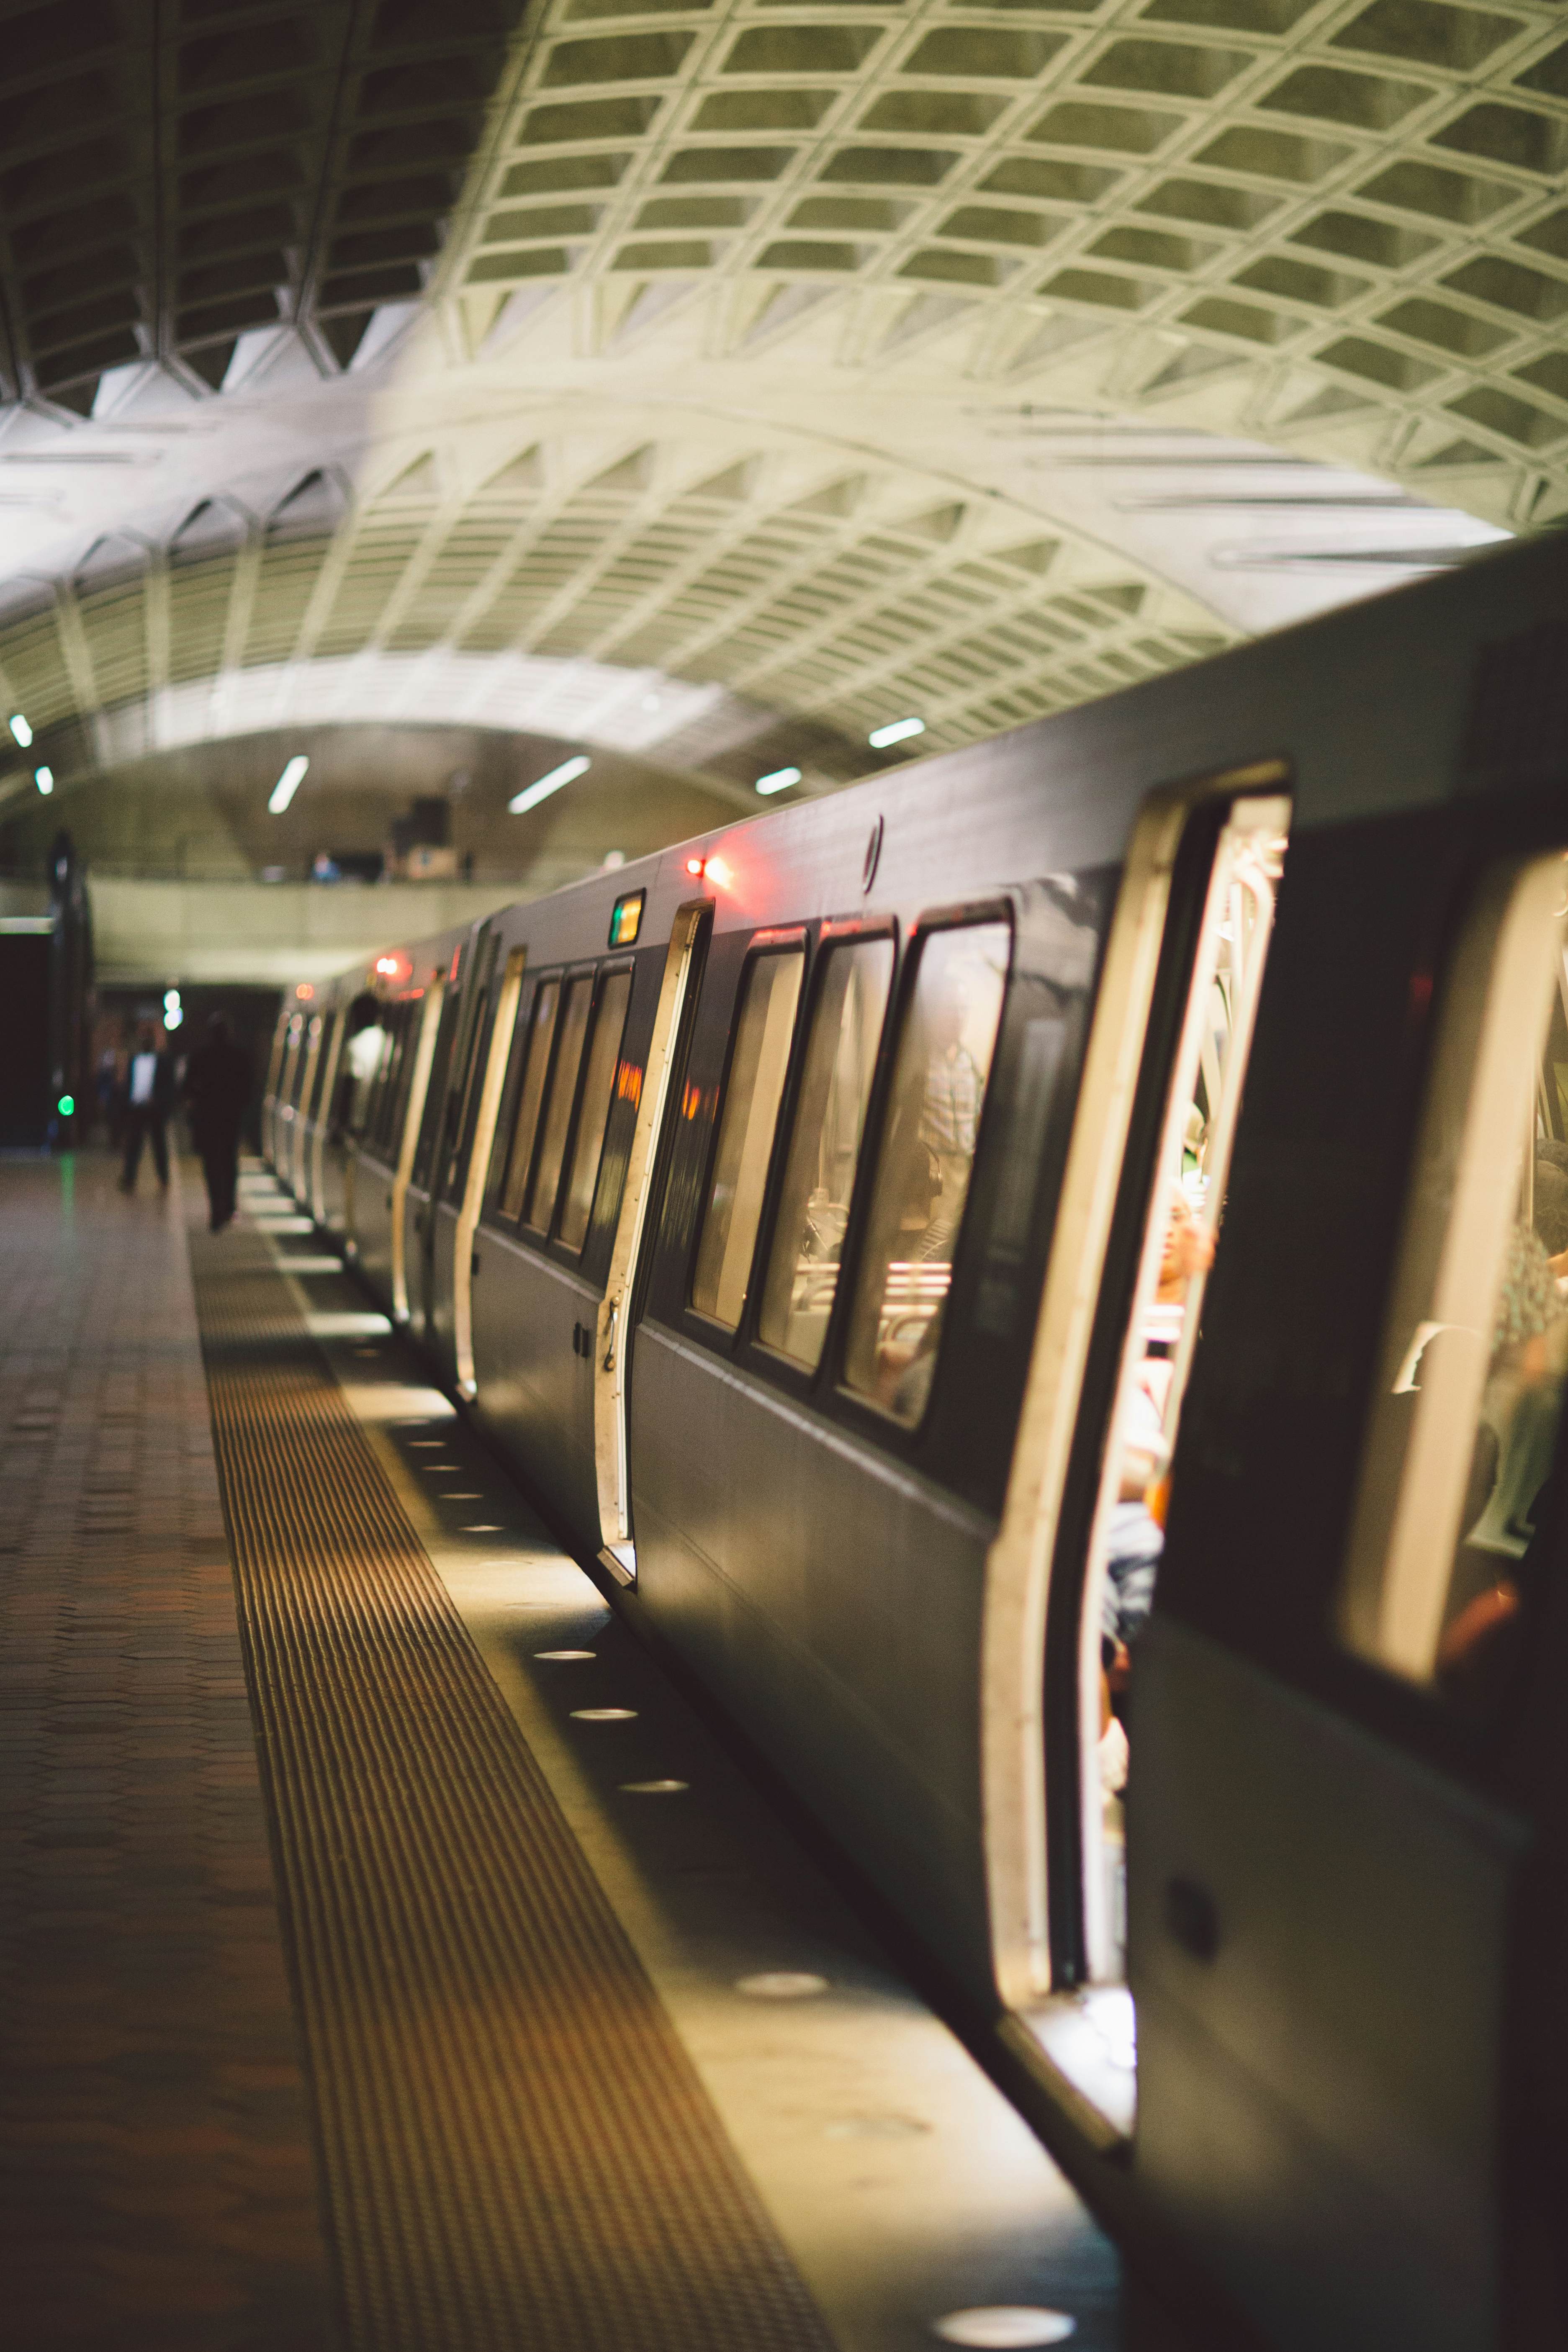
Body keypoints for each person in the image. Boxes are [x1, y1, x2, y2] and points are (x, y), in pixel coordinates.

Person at [183, 1013, 252, 1232]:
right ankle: (229, 1206)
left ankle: (216, 1210)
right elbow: (248, 1090)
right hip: (230, 1120)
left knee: (212, 1166)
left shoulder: (200, 1057)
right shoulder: (239, 1057)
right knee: (229, 1163)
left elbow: (187, 1088)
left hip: (208, 1121)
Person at [119, 1021, 175, 1194]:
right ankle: (129, 1178)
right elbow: (129, 1083)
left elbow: (168, 1086)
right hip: (137, 1108)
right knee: (133, 1145)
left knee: (159, 1146)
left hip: (154, 1110)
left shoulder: (162, 1061)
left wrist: (158, 1101)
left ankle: (164, 1178)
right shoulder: (134, 1060)